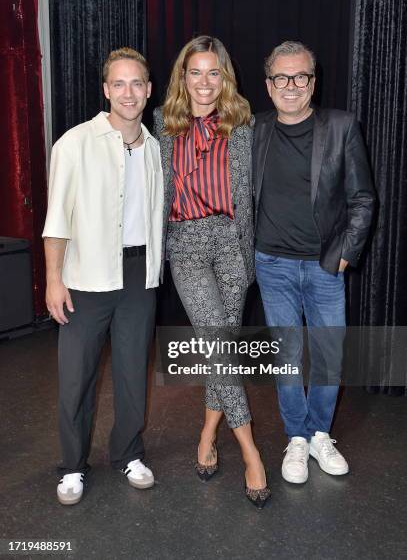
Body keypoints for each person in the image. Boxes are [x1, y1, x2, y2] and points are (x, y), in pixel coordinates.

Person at [43, 48, 163, 504]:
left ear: (149, 90)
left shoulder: (153, 147)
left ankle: (129, 453)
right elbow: (56, 220)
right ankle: (72, 466)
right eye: (119, 84)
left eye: (137, 84)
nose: (128, 93)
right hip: (86, 276)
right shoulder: (74, 143)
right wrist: (55, 279)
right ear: (106, 90)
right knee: (76, 377)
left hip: (138, 275)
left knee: (134, 371)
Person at [154, 35, 270, 508]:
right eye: (195, 72)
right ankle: (250, 451)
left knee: (221, 348)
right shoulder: (163, 125)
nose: (204, 83)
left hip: (232, 247)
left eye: (213, 73)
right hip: (186, 246)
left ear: (226, 78)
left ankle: (206, 435)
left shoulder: (244, 125)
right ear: (183, 76)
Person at [253, 40, 375, 484]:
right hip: (272, 264)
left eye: (300, 76)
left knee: (328, 353)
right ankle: (297, 438)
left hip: (325, 265)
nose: (291, 85)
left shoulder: (341, 127)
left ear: (313, 82)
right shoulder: (254, 129)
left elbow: (362, 198)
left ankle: (321, 433)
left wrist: (346, 252)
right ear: (268, 86)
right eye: (281, 78)